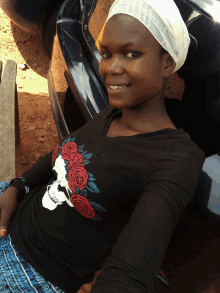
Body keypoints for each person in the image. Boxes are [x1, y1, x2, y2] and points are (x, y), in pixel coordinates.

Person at [0, 0, 205, 292]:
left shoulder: (177, 157)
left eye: (132, 54)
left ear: (167, 62)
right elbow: (60, 157)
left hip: (26, 274)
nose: (111, 68)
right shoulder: (114, 113)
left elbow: (131, 269)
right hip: (13, 212)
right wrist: (17, 187)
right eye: (106, 53)